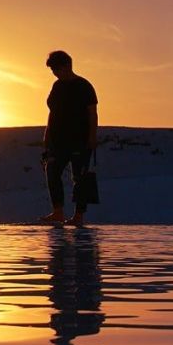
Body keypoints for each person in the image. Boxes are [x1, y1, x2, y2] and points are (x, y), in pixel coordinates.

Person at [41, 50, 98, 226]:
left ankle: (78, 216)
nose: (54, 73)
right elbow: (52, 112)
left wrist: (92, 137)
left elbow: (92, 113)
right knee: (52, 171)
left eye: (56, 69)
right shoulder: (57, 86)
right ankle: (57, 211)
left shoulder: (84, 86)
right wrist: (47, 135)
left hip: (80, 139)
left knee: (80, 177)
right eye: (53, 70)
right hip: (58, 140)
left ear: (67, 66)